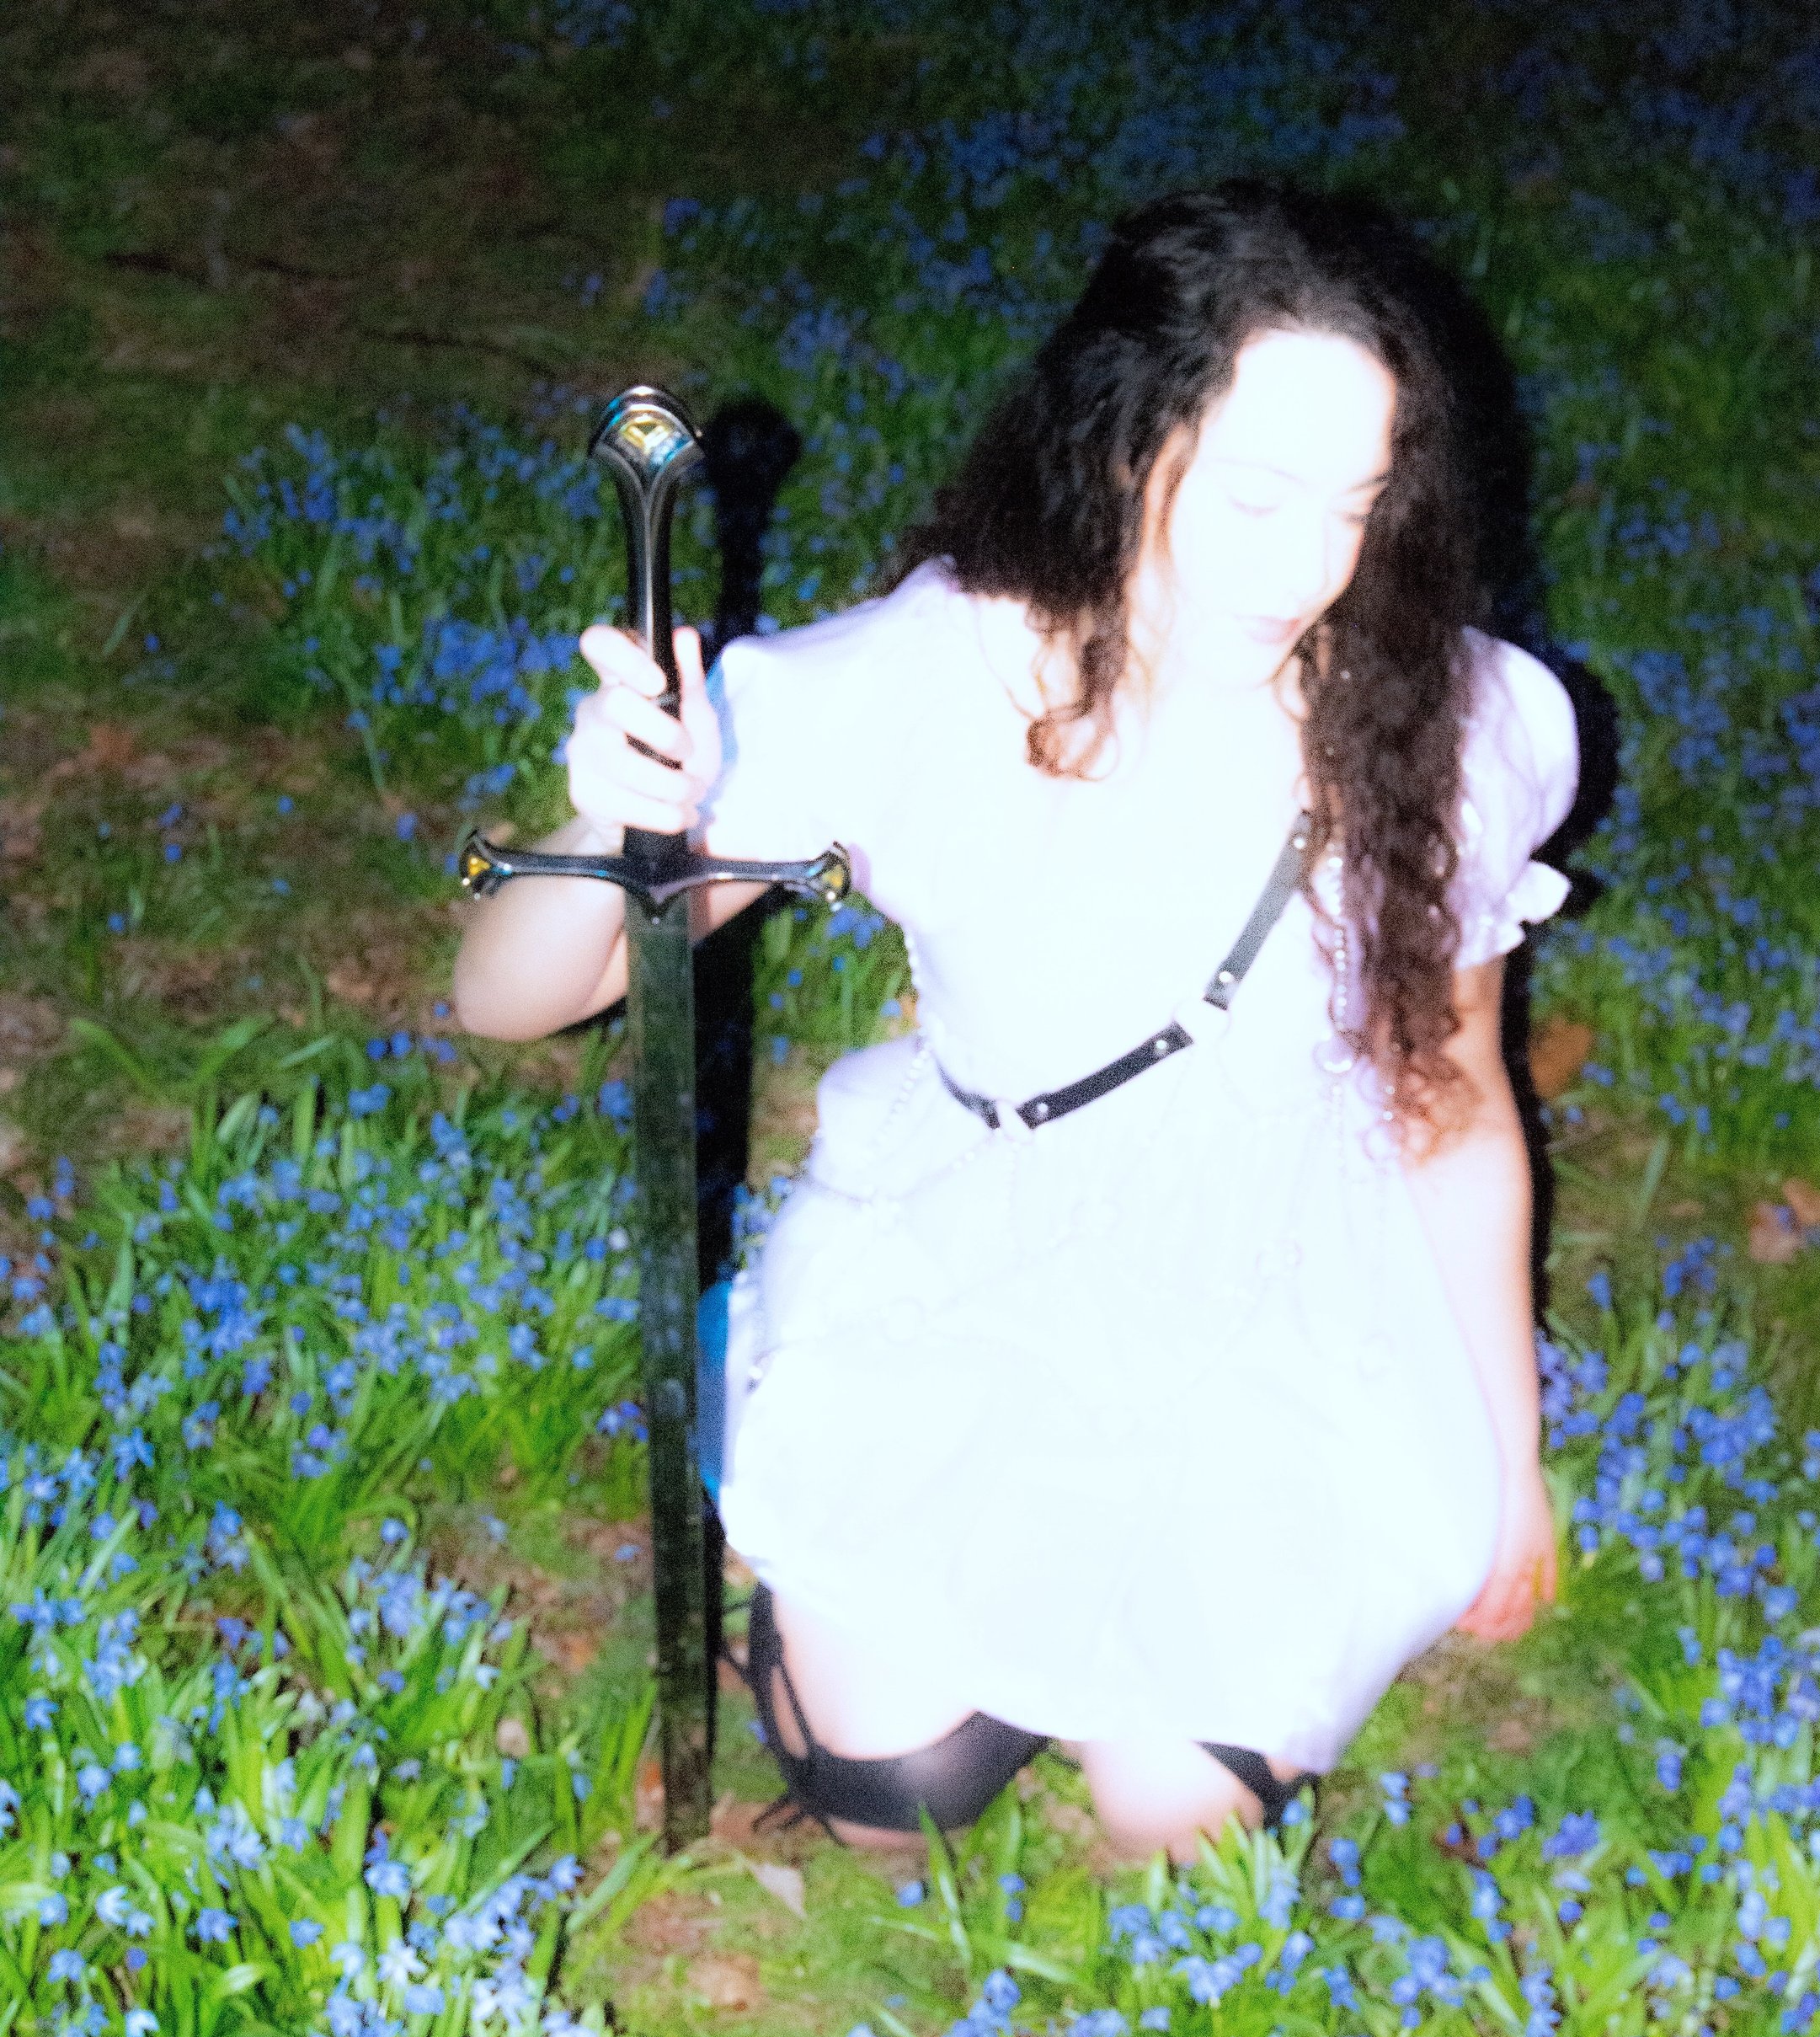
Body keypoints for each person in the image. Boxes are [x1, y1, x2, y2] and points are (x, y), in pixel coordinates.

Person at [452, 177, 1578, 1867]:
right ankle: (864, 1525)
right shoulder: (935, 681)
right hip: (983, 1263)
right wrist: (611, 821)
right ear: (1127, 444)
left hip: (1285, 1281)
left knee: (1168, 1819)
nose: (1306, 569)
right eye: (1255, 495)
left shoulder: (1445, 724)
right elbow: (504, 999)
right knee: (889, 1789)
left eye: (1352, 507)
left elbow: (1455, 1101)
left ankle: (1138, 1618)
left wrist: (1510, 1456)